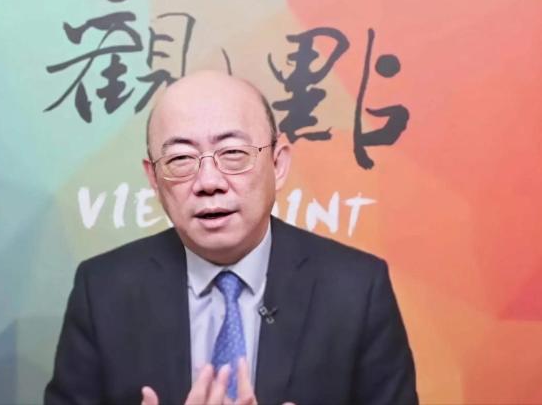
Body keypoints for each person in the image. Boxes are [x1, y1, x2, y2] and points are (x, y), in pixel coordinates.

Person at [44, 70, 418, 405]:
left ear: (278, 163)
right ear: (154, 179)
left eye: (233, 153)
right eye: (180, 159)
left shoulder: (356, 288)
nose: (209, 182)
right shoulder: (103, 290)